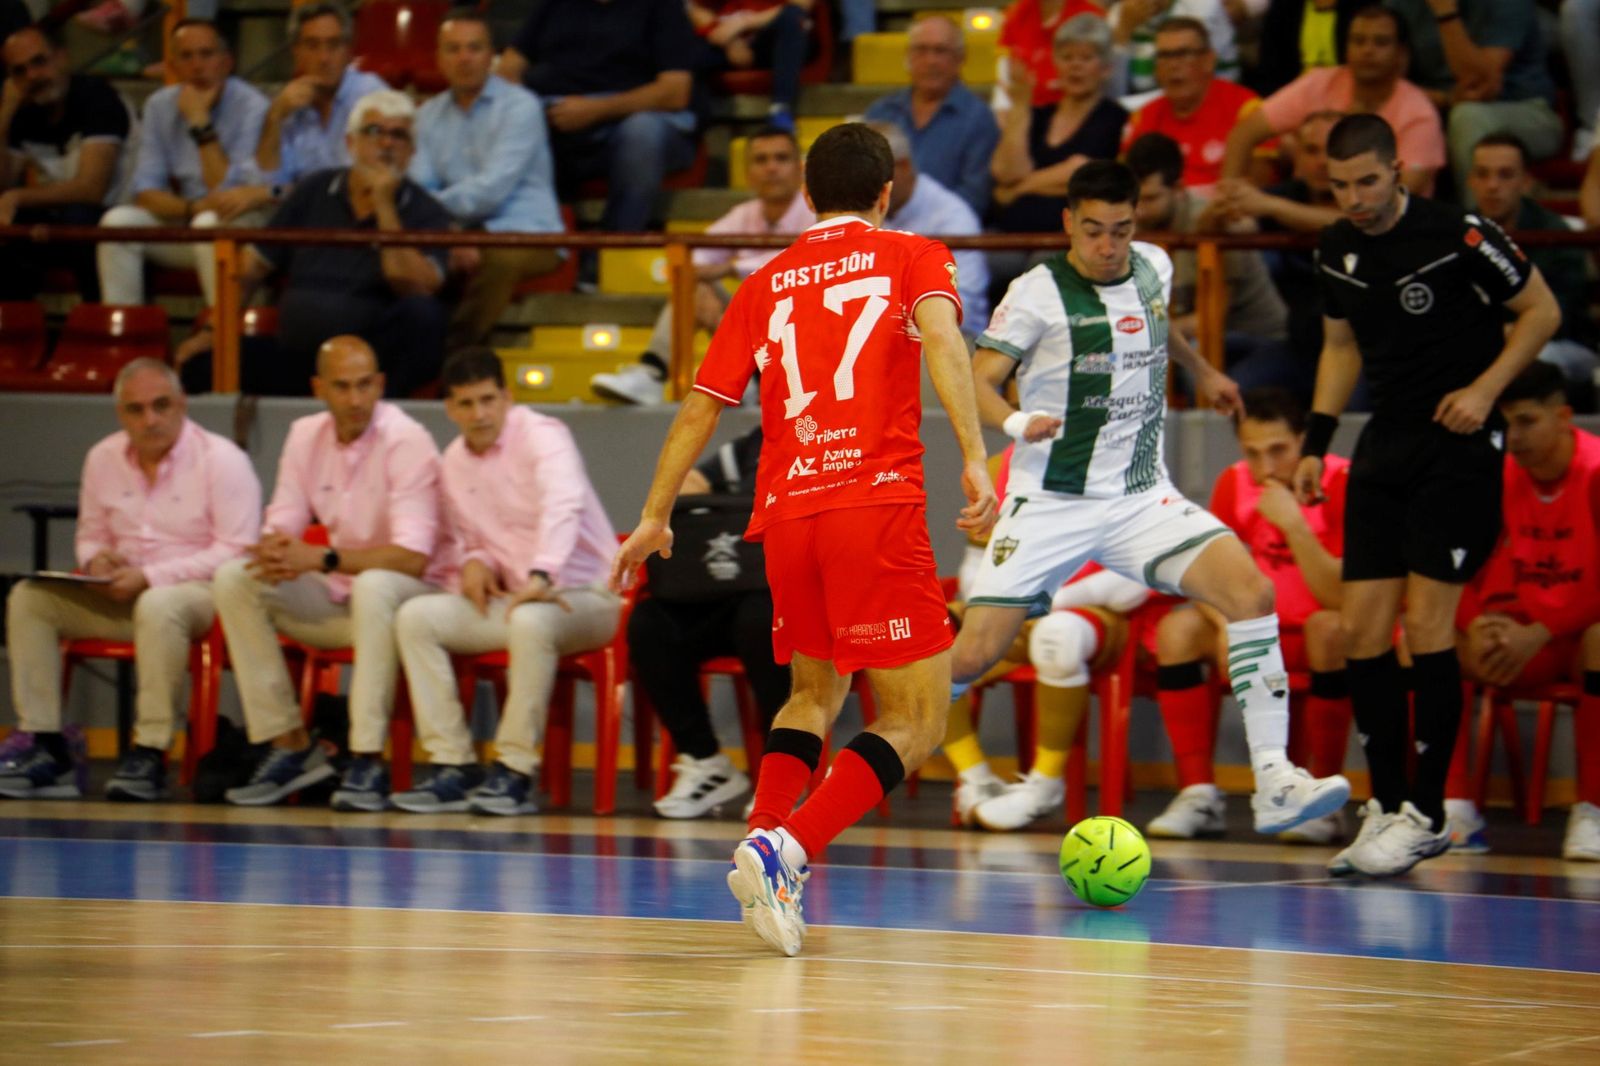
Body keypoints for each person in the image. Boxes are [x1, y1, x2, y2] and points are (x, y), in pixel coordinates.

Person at [609, 123, 998, 956]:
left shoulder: (765, 281)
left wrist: (654, 514)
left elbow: (702, 402)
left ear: (809, 197)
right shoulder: (912, 254)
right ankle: (785, 848)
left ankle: (762, 840)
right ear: (886, 192)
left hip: (784, 515)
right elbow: (941, 340)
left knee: (813, 695)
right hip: (875, 507)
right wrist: (974, 454)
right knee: (916, 721)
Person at [951, 159, 1350, 850]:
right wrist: (1015, 425)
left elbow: (1159, 327)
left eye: (1122, 230)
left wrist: (1205, 372)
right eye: (1095, 232)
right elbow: (973, 380)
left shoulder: (1153, 266)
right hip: (1051, 500)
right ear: (1068, 224)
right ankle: (874, 746)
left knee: (1252, 593)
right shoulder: (1037, 292)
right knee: (971, 654)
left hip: (1141, 496)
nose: (1109, 247)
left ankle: (1275, 778)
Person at [1293, 113, 1560, 878]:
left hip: (1461, 442)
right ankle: (1387, 806)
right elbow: (1340, 347)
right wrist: (1317, 443)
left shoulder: (1460, 233)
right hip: (1387, 440)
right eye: (1340, 185)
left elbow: (1542, 310)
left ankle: (1429, 814)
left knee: (1425, 621)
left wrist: (1485, 391)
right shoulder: (1336, 246)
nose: (1355, 198)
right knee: (1360, 629)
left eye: (1368, 181)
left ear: (1398, 169)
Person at [0, 360, 259, 802]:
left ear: (181, 404)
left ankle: (150, 750)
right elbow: (90, 534)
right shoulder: (102, 457)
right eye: (136, 410)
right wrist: (95, 562)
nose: (150, 420)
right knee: (29, 598)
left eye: (160, 406)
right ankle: (46, 746)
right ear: (121, 413)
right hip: (119, 594)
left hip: (199, 598)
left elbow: (236, 551)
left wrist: (150, 577)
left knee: (160, 605)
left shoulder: (222, 460)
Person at [213, 336, 450, 809]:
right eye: (342, 387)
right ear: (319, 388)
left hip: (411, 597)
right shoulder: (305, 435)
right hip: (341, 594)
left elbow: (412, 557)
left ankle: (364, 758)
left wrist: (320, 559)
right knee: (236, 577)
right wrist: (276, 547)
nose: (356, 399)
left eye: (365, 385)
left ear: (380, 384)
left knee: (376, 586)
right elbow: (283, 517)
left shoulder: (408, 440)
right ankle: (289, 743)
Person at [389, 350, 620, 815]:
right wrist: (474, 560)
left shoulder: (543, 436)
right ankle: (454, 764)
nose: (479, 414)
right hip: (518, 600)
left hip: (587, 598)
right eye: (467, 404)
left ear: (507, 397)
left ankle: (515, 770)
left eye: (488, 400)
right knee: (417, 617)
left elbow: (564, 505)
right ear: (450, 410)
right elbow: (467, 538)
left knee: (532, 621)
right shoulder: (453, 460)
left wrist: (542, 573)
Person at [1146, 386, 1352, 843]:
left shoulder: (1341, 481)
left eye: (1278, 451)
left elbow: (1340, 596)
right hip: (1255, 628)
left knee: (1331, 628)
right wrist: (1225, 625)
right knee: (1178, 629)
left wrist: (1293, 523)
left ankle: (1323, 800)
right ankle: (1199, 795)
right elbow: (1203, 574)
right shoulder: (1233, 482)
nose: (1265, 468)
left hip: (1312, 631)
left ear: (1306, 441)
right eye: (1252, 453)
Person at [185, 90, 455, 398]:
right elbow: (249, 271)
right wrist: (211, 332)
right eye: (374, 131)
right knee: (199, 366)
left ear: (412, 151)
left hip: (371, 367)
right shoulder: (314, 190)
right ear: (350, 143)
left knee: (424, 315)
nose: (386, 144)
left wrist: (384, 206)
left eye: (398, 135)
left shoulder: (426, 210)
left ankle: (364, 407)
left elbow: (413, 285)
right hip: (300, 356)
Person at [1445, 363, 1600, 862]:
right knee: (1430, 638)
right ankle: (1453, 808)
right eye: (1504, 423)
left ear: (1564, 417)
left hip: (1575, 637)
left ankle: (1593, 809)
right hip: (1518, 638)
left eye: (1527, 421)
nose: (1513, 437)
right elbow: (1455, 561)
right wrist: (1475, 625)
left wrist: (1544, 630)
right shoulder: (1494, 474)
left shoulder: (1596, 472)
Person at [630, 424, 792, 819]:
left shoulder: (838, 437)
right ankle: (705, 761)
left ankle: (785, 772)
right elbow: (693, 479)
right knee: (650, 623)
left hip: (793, 598)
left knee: (761, 619)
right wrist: (694, 490)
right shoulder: (758, 440)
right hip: (733, 587)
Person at [590, 125, 813, 407]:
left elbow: (799, 264)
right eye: (761, 160)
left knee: (711, 284)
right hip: (762, 337)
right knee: (693, 286)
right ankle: (654, 373)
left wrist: (730, 268)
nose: (771, 168)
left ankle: (747, 380)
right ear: (747, 174)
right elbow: (692, 258)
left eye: (781, 158)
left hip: (807, 339)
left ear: (800, 168)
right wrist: (699, 281)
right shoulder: (744, 215)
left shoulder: (818, 212)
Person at [411, 10, 563, 350]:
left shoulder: (521, 107)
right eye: (453, 49)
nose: (464, 58)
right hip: (454, 230)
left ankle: (453, 357)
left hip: (528, 234)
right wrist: (450, 233)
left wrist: (448, 226)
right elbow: (418, 186)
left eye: (474, 48)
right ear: (438, 58)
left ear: (491, 56)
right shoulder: (425, 115)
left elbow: (491, 191)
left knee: (498, 259)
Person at [96, 19, 270, 308]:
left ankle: (223, 334)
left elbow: (227, 192)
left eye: (206, 54)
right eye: (186, 56)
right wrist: (189, 208)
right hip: (189, 217)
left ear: (227, 62)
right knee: (117, 223)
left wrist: (200, 123)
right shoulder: (159, 105)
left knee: (208, 224)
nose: (197, 66)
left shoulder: (253, 106)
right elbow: (146, 191)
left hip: (243, 225)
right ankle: (127, 337)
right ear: (172, 66)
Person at [498, 0, 699, 242]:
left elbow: (675, 91)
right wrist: (529, 109)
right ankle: (539, 243)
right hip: (558, 112)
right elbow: (508, 69)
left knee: (641, 132)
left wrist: (594, 110)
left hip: (635, 118)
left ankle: (613, 248)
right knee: (517, 121)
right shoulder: (552, 6)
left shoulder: (663, 7)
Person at [1124, 132, 1290, 390]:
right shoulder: (1129, 225)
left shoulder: (1213, 223)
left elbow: (1209, 319)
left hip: (1258, 338)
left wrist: (1136, 333)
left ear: (1178, 189)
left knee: (1193, 367)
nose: (1140, 210)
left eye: (1150, 198)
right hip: (1190, 337)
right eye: (1134, 198)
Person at [1221, 5, 1444, 195]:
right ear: (1346, 48)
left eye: (1380, 42)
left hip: (1387, 236)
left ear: (1402, 54)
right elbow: (1244, 133)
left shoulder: (1418, 113)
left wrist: (1276, 207)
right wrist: (1229, 193)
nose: (1367, 50)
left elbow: (1390, 202)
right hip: (1307, 210)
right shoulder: (1320, 83)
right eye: (1358, 41)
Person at [0, 25, 133, 301]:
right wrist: (5, 115)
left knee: (78, 220)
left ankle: (97, 329)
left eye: (39, 62)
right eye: (19, 71)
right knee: (9, 228)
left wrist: (18, 196)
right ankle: (18, 335)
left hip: (121, 216)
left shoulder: (97, 97)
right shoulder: (25, 112)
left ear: (62, 58)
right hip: (65, 219)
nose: (33, 76)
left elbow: (91, 189)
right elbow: (2, 185)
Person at [1383, 0, 1560, 198]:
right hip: (1432, 106)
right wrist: (1446, 98)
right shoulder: (1399, 4)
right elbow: (1385, 80)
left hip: (1523, 109)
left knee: (1467, 117)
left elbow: (1481, 83)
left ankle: (1477, 225)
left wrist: (1445, 12)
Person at [1465, 134, 1597, 393]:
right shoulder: (1455, 231)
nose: (1492, 185)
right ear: (1470, 181)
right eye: (1483, 174)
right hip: (1480, 343)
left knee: (1538, 356)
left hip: (1560, 344)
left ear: (1525, 182)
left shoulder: (1556, 234)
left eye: (1505, 175)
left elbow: (1560, 316)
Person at [992, 14, 1128, 236]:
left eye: (1086, 58)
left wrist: (1017, 188)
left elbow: (1081, 177)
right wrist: (1019, 108)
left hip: (1071, 236)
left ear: (1106, 68)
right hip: (1010, 232)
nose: (1075, 65)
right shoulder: (1038, 115)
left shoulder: (1113, 117)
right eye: (1067, 57)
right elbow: (1006, 173)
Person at [862, 14, 1001, 216]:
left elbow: (975, 196)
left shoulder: (979, 118)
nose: (931, 60)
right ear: (908, 56)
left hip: (951, 232)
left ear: (960, 59)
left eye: (941, 51)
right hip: (885, 226)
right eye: (921, 50)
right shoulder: (881, 112)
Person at [1118, 16, 1271, 194]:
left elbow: (1263, 183)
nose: (1173, 65)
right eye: (1164, 56)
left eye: (1183, 54)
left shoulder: (1247, 109)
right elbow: (1124, 187)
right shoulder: (1143, 118)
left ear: (1209, 60)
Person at [873, 121, 991, 333]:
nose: (866, 183)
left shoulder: (952, 217)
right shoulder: (859, 209)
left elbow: (964, 308)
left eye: (873, 173)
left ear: (904, 166)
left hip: (951, 339)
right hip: (880, 338)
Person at [255, 2, 388, 190]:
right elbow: (268, 179)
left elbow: (369, 184)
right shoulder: (288, 104)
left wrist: (272, 194)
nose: (324, 58)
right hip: (300, 213)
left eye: (333, 45)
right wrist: (274, 116)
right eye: (312, 46)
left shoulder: (371, 96)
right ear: (296, 52)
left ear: (349, 51)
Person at [689, 0, 813, 130]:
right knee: (685, 49)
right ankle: (694, 125)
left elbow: (802, 5)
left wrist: (745, 22)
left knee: (793, 17)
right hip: (723, 35)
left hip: (768, 35)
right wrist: (730, 42)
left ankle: (781, 110)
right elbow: (693, 8)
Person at [1106, 0, 1239, 94]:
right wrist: (1123, 32)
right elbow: (1113, 92)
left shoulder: (1202, 8)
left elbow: (1188, 86)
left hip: (1209, 106)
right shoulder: (1120, 15)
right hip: (1144, 111)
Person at [996, 0, 1109, 111]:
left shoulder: (1089, 15)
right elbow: (1005, 74)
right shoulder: (1017, 13)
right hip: (1025, 111)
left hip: (1078, 110)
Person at [1249, 0, 1364, 96]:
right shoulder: (1285, 7)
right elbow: (1269, 68)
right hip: (1293, 98)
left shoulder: (1360, 6)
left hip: (1347, 95)